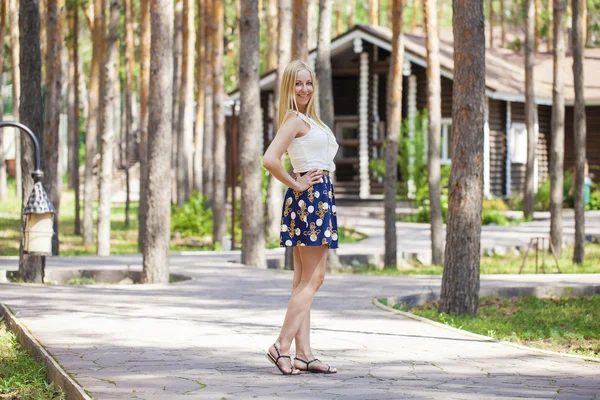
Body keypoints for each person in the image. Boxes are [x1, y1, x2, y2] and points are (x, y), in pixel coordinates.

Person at [262, 60, 339, 375]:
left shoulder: (308, 119)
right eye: (298, 84)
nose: (305, 89)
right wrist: (297, 183)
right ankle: (281, 346)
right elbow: (269, 159)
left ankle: (304, 354)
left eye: (308, 83)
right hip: (310, 198)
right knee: (315, 278)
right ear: (289, 87)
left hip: (313, 199)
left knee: (302, 280)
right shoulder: (294, 119)